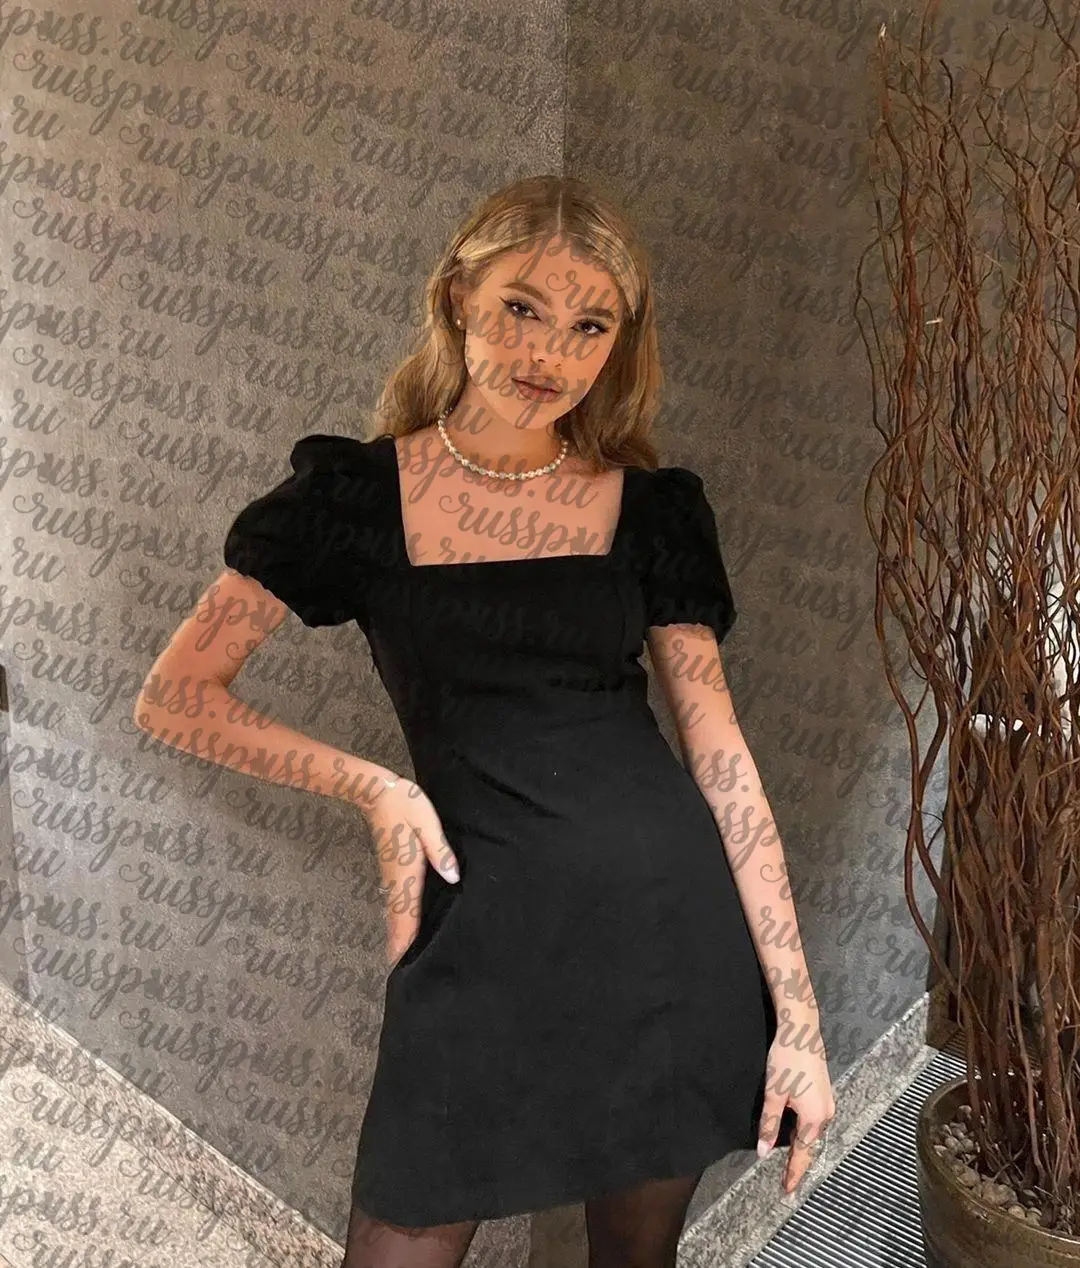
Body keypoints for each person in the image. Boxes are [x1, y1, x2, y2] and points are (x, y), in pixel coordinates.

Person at [134, 174, 835, 1268]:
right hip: (481, 942)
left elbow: (722, 757)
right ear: (459, 297)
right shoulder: (353, 498)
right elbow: (176, 693)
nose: (549, 351)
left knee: (636, 1259)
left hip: (666, 935)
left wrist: (797, 1015)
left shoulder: (652, 511)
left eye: (589, 323)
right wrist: (375, 787)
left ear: (619, 342)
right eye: (521, 306)